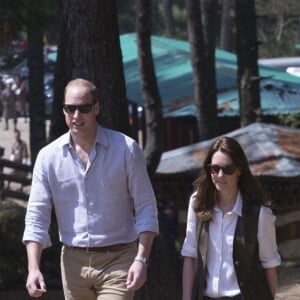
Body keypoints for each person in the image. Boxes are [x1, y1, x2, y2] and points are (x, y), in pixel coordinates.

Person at [23, 78, 158, 300]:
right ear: (63, 110)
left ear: (96, 108)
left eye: (84, 108)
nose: (76, 116)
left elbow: (145, 206)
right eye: (70, 108)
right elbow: (37, 215)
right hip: (73, 262)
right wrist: (33, 268)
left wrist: (141, 259)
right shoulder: (48, 157)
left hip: (119, 258)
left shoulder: (126, 149)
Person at [181, 136, 281, 300]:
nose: (220, 175)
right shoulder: (197, 204)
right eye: (215, 168)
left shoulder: (260, 215)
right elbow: (190, 256)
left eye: (228, 169)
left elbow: (269, 266)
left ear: (239, 171)